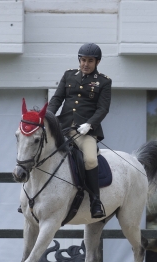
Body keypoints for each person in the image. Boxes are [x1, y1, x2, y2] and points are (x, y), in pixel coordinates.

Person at [47, 43, 112, 218]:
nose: (85, 64)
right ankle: (29, 198)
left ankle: (95, 201)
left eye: (90, 61)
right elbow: (57, 99)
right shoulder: (69, 75)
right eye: (83, 60)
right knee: (37, 149)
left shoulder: (104, 81)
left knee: (90, 160)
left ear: (97, 62)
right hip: (62, 127)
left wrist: (89, 124)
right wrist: (47, 116)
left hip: (85, 131)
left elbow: (103, 108)